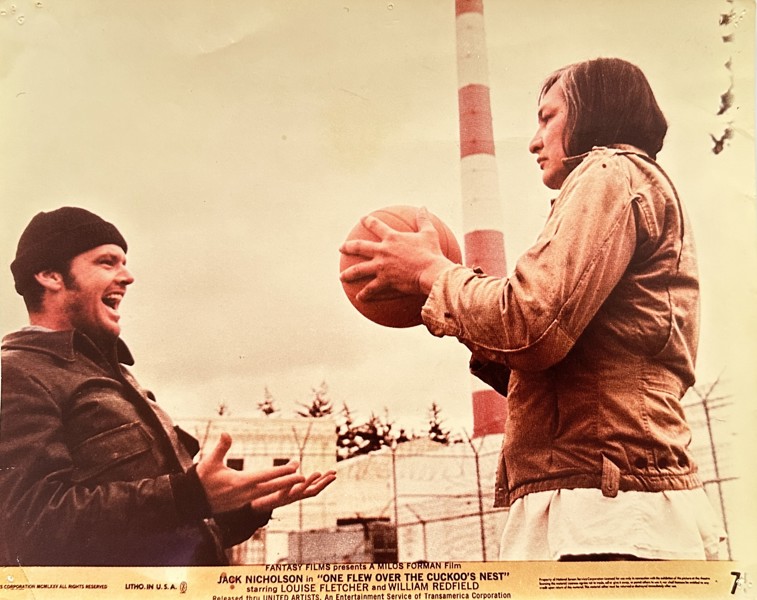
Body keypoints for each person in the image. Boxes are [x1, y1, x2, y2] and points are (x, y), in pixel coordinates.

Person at [340, 57, 725, 560]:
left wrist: (431, 274)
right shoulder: (632, 185)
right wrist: (451, 300)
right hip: (612, 502)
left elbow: (530, 326)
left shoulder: (608, 171)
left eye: (548, 117)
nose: (533, 139)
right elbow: (552, 363)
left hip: (603, 513)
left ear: (595, 111)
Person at [0, 206, 336, 566]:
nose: (127, 277)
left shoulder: (118, 377)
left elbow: (163, 534)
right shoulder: (17, 374)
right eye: (107, 262)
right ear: (50, 275)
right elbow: (30, 526)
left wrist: (245, 509)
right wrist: (191, 495)